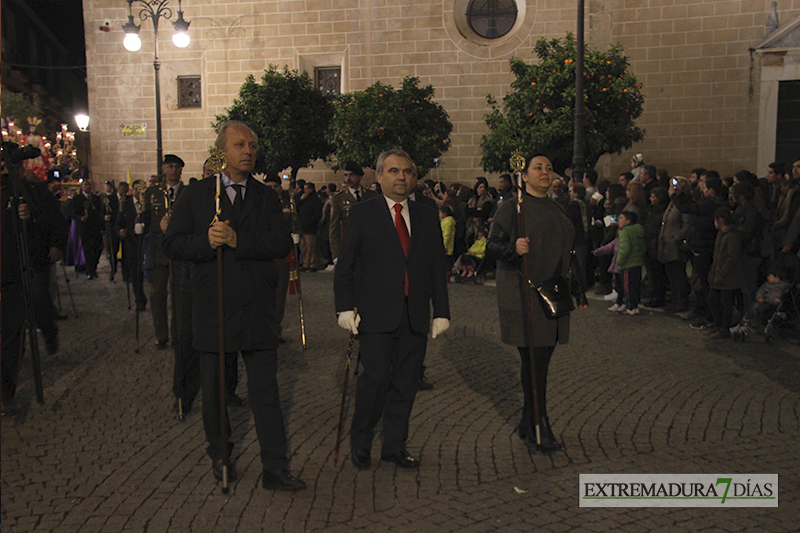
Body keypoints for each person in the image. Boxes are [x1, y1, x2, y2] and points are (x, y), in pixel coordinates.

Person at [164, 121, 304, 491]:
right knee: (214, 394)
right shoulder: (197, 196)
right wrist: (205, 242)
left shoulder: (265, 196)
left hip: (256, 309)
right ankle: (221, 456)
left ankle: (275, 468)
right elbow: (173, 244)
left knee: (265, 394)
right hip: (213, 307)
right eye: (240, 145)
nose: (248, 151)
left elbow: (280, 243)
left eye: (253, 145)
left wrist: (239, 239)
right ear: (222, 151)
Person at [334, 149, 450, 470]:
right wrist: (344, 306)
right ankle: (361, 442)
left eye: (408, 172)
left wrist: (441, 311)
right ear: (380, 177)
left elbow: (435, 267)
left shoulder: (427, 214)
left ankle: (395, 445)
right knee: (374, 380)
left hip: (414, 315)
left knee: (406, 382)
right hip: (375, 315)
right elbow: (346, 265)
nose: (402, 177)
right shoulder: (362, 213)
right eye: (395, 171)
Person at [486, 154, 582, 453]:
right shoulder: (512, 208)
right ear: (524, 176)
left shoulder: (559, 206)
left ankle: (530, 422)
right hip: (524, 294)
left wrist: (577, 285)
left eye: (549, 168)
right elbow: (492, 245)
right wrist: (513, 248)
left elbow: (571, 250)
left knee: (538, 362)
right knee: (535, 361)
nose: (545, 172)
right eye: (538, 168)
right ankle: (540, 424)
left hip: (552, 292)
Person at [139, 154, 187, 349]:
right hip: (158, 249)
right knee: (157, 293)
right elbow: (144, 215)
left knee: (180, 295)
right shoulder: (152, 193)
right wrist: (138, 225)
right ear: (163, 170)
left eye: (176, 167)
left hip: (179, 248)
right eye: (169, 167)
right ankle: (161, 334)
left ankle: (178, 333)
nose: (173, 170)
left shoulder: (188, 192)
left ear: (181, 170)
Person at [329, 161, 378, 265]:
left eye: (352, 175)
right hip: (349, 247)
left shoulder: (371, 195)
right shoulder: (339, 198)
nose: (348, 179)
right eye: (346, 175)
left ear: (360, 177)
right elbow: (334, 228)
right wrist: (336, 254)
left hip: (370, 247)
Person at [706, 208, 742, 339]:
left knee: (725, 303)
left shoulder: (732, 236)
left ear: (720, 221)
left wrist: (721, 273)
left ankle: (723, 328)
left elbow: (732, 258)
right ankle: (718, 325)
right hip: (719, 274)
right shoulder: (722, 234)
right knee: (713, 300)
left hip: (727, 277)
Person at [613, 211, 645, 315]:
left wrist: (619, 261)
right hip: (637, 262)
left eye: (621, 218)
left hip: (628, 263)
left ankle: (630, 307)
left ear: (628, 220)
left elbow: (624, 249)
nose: (619, 220)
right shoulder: (638, 230)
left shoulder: (626, 232)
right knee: (635, 285)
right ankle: (634, 306)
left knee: (627, 287)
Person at [71, 179, 104, 279]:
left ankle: (94, 266)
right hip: (85, 227)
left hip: (95, 227)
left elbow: (99, 211)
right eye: (85, 185)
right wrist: (80, 218)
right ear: (82, 187)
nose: (88, 186)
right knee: (88, 249)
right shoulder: (77, 199)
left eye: (89, 185)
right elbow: (73, 212)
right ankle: (90, 271)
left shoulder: (95, 198)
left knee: (98, 247)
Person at [295, 181, 322, 272]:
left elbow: (317, 213)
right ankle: (305, 263)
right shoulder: (303, 198)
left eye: (307, 189)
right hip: (302, 226)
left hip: (310, 227)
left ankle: (313, 263)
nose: (305, 191)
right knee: (304, 247)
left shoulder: (315, 199)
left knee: (311, 246)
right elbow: (296, 206)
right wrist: (301, 199)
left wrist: (311, 221)